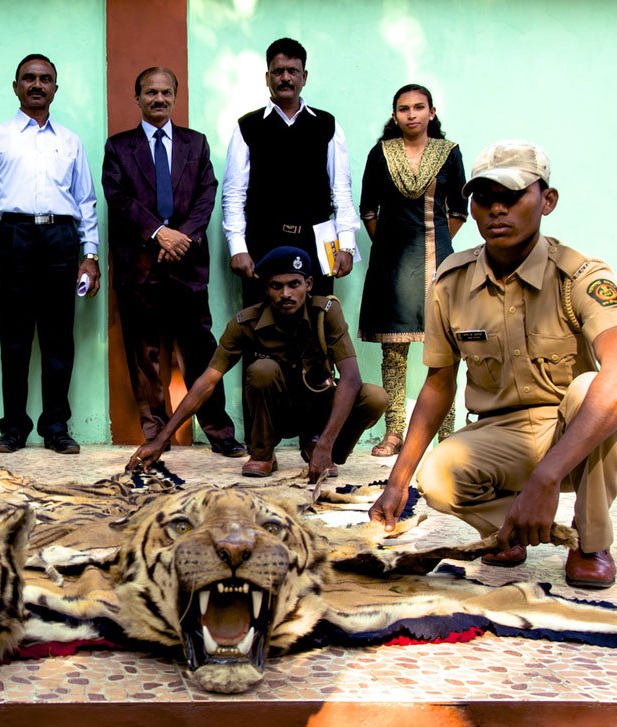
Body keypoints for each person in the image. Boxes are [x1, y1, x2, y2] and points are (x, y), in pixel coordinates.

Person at [369, 141, 617, 590]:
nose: (497, 209)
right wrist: (397, 482)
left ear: (547, 201)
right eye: (484, 198)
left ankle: (589, 542)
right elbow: (439, 383)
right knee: (437, 475)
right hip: (502, 433)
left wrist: (547, 478)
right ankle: (509, 531)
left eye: (513, 196)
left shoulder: (579, 275)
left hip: (571, 429)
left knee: (593, 390)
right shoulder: (451, 282)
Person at [129, 246, 387, 479]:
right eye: (276, 286)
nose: (286, 294)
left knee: (375, 397)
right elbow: (207, 382)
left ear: (308, 284)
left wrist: (325, 444)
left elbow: (351, 378)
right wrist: (160, 439)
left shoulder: (326, 313)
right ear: (266, 288)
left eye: (294, 284)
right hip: (274, 414)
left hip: (318, 406)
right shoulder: (246, 323)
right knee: (263, 369)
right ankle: (263, 454)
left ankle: (318, 445)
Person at [101, 66, 244, 459]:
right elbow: (118, 198)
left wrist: (182, 237)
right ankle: (156, 434)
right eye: (151, 92)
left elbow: (207, 192)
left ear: (175, 97)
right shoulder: (119, 147)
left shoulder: (195, 144)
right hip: (138, 267)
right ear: (137, 98)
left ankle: (219, 432)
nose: (159, 99)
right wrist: (157, 233)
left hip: (187, 264)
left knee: (200, 352)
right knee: (144, 356)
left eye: (166, 92)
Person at [0, 53, 100, 455]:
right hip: (15, 236)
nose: (37, 85)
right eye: (29, 78)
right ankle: (13, 428)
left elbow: (86, 202)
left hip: (61, 237)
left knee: (59, 338)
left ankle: (56, 427)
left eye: (45, 79)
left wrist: (90, 255)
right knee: (15, 339)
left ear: (55, 88)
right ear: (16, 87)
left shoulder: (70, 141)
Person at [358, 84, 467, 457]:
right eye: (404, 109)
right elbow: (368, 210)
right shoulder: (381, 153)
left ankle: (446, 435)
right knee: (394, 351)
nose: (412, 114)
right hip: (392, 265)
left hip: (438, 262)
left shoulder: (448, 153)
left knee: (444, 351)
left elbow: (459, 211)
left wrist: (435, 243)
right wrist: (391, 247)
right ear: (395, 116)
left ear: (431, 112)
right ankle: (394, 433)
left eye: (419, 107)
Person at [222, 37, 359, 307]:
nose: (285, 78)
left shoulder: (327, 125)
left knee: (316, 320)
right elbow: (234, 194)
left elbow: (341, 189)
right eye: (278, 71)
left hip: (316, 243)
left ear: (304, 77)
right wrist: (238, 247)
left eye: (293, 71)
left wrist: (346, 244)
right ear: (267, 77)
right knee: (261, 321)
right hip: (262, 243)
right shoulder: (248, 127)